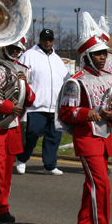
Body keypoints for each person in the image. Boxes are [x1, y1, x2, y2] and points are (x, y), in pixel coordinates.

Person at [58, 12, 112, 224]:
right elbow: (65, 113)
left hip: (104, 138)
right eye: (97, 54)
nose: (102, 57)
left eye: (104, 53)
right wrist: (86, 113)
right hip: (87, 138)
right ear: (86, 56)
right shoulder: (75, 81)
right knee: (101, 183)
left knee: (93, 184)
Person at [0, 38, 36, 222]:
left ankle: (3, 205)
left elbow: (31, 99)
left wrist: (25, 85)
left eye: (18, 49)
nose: (15, 52)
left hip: (13, 127)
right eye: (12, 48)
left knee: (7, 171)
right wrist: (7, 106)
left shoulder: (23, 70)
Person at [15, 28, 70, 175]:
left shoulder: (57, 59)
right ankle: (21, 158)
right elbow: (19, 76)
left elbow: (66, 79)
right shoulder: (29, 56)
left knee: (54, 136)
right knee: (32, 134)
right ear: (40, 40)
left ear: (53, 41)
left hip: (55, 107)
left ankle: (50, 165)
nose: (47, 42)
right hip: (36, 105)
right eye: (45, 39)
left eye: (50, 39)